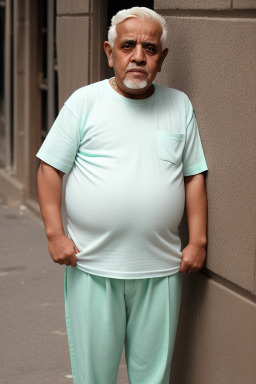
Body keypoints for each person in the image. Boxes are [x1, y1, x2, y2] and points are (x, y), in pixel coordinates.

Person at [36, 6, 208, 384]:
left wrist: (197, 241)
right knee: (94, 375)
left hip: (161, 268)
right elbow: (50, 168)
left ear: (161, 58)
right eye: (128, 45)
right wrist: (55, 234)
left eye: (150, 48)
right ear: (109, 51)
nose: (138, 56)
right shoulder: (84, 103)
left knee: (153, 376)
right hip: (92, 265)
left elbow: (194, 175)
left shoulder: (179, 105)